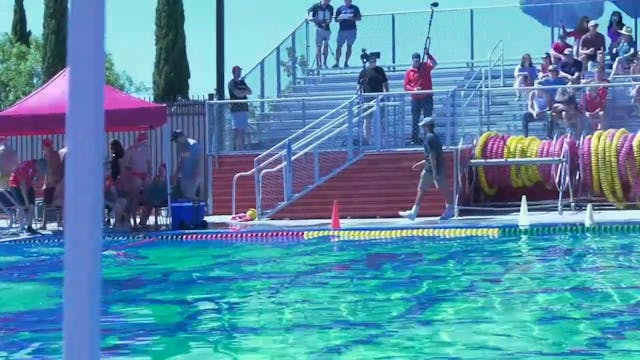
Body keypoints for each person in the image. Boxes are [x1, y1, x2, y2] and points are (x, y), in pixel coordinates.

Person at [399, 117, 454, 221]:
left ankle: (451, 209)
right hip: (430, 168)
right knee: (421, 189)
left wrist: (434, 173)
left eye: (424, 126)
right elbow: (431, 156)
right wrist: (422, 163)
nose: (422, 128)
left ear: (428, 126)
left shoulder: (430, 138)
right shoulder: (434, 137)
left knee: (443, 189)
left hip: (433, 170)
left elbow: (433, 156)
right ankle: (413, 213)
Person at [404, 50, 437, 145]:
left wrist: (428, 54)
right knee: (415, 119)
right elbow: (406, 86)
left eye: (418, 61)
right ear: (412, 61)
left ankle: (428, 138)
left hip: (427, 97)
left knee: (428, 118)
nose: (417, 63)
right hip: (416, 99)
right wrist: (414, 89)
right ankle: (414, 139)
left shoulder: (425, 66)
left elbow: (434, 63)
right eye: (415, 61)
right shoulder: (409, 72)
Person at [357, 52, 389, 144]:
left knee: (380, 120)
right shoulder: (364, 72)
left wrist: (387, 92)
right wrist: (360, 94)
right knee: (367, 120)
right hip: (368, 99)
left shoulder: (380, 70)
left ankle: (382, 141)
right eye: (372, 60)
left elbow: (385, 82)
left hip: (379, 99)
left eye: (375, 60)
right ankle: (368, 140)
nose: (374, 61)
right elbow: (359, 85)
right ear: (368, 60)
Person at [9, 158, 47, 234]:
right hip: (16, 185)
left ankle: (29, 227)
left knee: (32, 206)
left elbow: (31, 179)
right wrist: (26, 202)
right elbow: (22, 186)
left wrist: (34, 180)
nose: (40, 172)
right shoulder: (25, 167)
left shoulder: (36, 167)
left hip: (27, 185)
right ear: (38, 164)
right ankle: (21, 227)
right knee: (22, 206)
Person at [122, 132, 151, 227]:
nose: (144, 144)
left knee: (148, 199)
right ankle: (134, 222)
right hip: (135, 174)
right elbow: (125, 166)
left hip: (145, 174)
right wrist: (127, 178)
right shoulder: (130, 151)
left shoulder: (146, 150)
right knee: (134, 199)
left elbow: (148, 163)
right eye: (144, 142)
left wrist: (149, 174)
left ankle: (143, 222)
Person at [171, 129, 203, 200]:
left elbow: (199, 161)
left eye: (176, 140)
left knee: (190, 197)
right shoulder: (181, 147)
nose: (176, 142)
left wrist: (196, 176)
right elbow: (182, 161)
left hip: (193, 177)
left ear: (181, 137)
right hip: (185, 177)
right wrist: (176, 174)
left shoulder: (193, 145)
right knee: (186, 197)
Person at [39, 138, 63, 230]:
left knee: (46, 204)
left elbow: (50, 170)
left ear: (45, 146)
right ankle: (59, 222)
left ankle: (44, 223)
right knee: (58, 204)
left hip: (51, 183)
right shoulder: (56, 154)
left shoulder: (49, 155)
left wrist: (47, 183)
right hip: (57, 181)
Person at [228, 65, 252, 151]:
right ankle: (236, 148)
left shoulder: (242, 82)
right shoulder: (231, 83)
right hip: (236, 109)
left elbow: (250, 92)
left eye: (240, 71)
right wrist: (243, 92)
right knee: (237, 130)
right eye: (238, 71)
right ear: (234, 72)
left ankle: (242, 148)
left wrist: (242, 92)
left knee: (243, 129)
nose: (239, 73)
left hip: (244, 108)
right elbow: (237, 93)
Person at [332, 0, 361, 69]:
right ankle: (337, 62)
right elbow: (336, 19)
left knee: (349, 46)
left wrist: (352, 18)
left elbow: (359, 18)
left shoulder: (355, 8)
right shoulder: (340, 8)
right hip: (342, 30)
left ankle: (346, 62)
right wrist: (341, 18)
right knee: (339, 46)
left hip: (352, 30)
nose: (347, 1)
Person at [139, 164, 168, 229]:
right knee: (149, 204)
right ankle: (143, 221)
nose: (159, 171)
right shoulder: (156, 178)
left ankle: (155, 222)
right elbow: (154, 188)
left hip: (163, 197)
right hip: (155, 196)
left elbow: (164, 190)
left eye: (161, 170)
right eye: (159, 170)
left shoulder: (167, 179)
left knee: (154, 203)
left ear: (165, 171)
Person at [308, 0, 334, 69]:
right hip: (318, 28)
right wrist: (315, 20)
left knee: (326, 46)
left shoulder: (330, 8)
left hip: (327, 29)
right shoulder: (315, 6)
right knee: (318, 46)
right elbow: (310, 16)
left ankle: (325, 63)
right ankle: (318, 64)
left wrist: (326, 23)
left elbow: (330, 18)